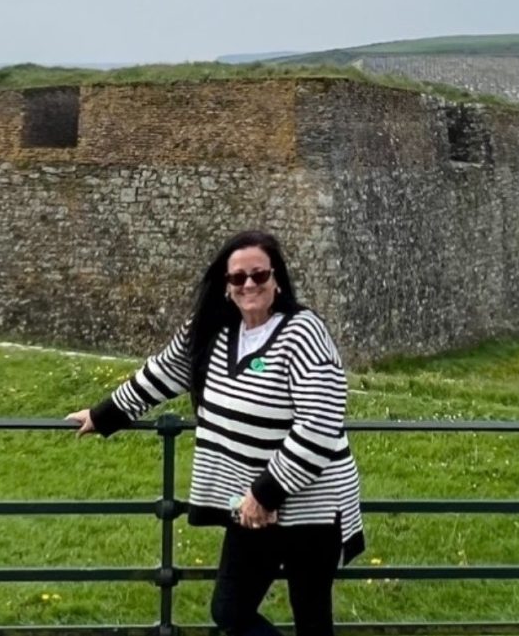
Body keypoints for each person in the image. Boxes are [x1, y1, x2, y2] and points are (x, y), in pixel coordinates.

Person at [66, 230, 364, 636]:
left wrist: (265, 494)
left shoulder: (303, 332)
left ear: (276, 279)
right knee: (230, 611)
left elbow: (320, 424)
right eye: (237, 278)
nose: (248, 285)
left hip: (310, 507)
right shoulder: (212, 332)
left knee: (311, 618)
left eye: (258, 275)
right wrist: (104, 415)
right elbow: (164, 372)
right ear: (225, 286)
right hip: (251, 509)